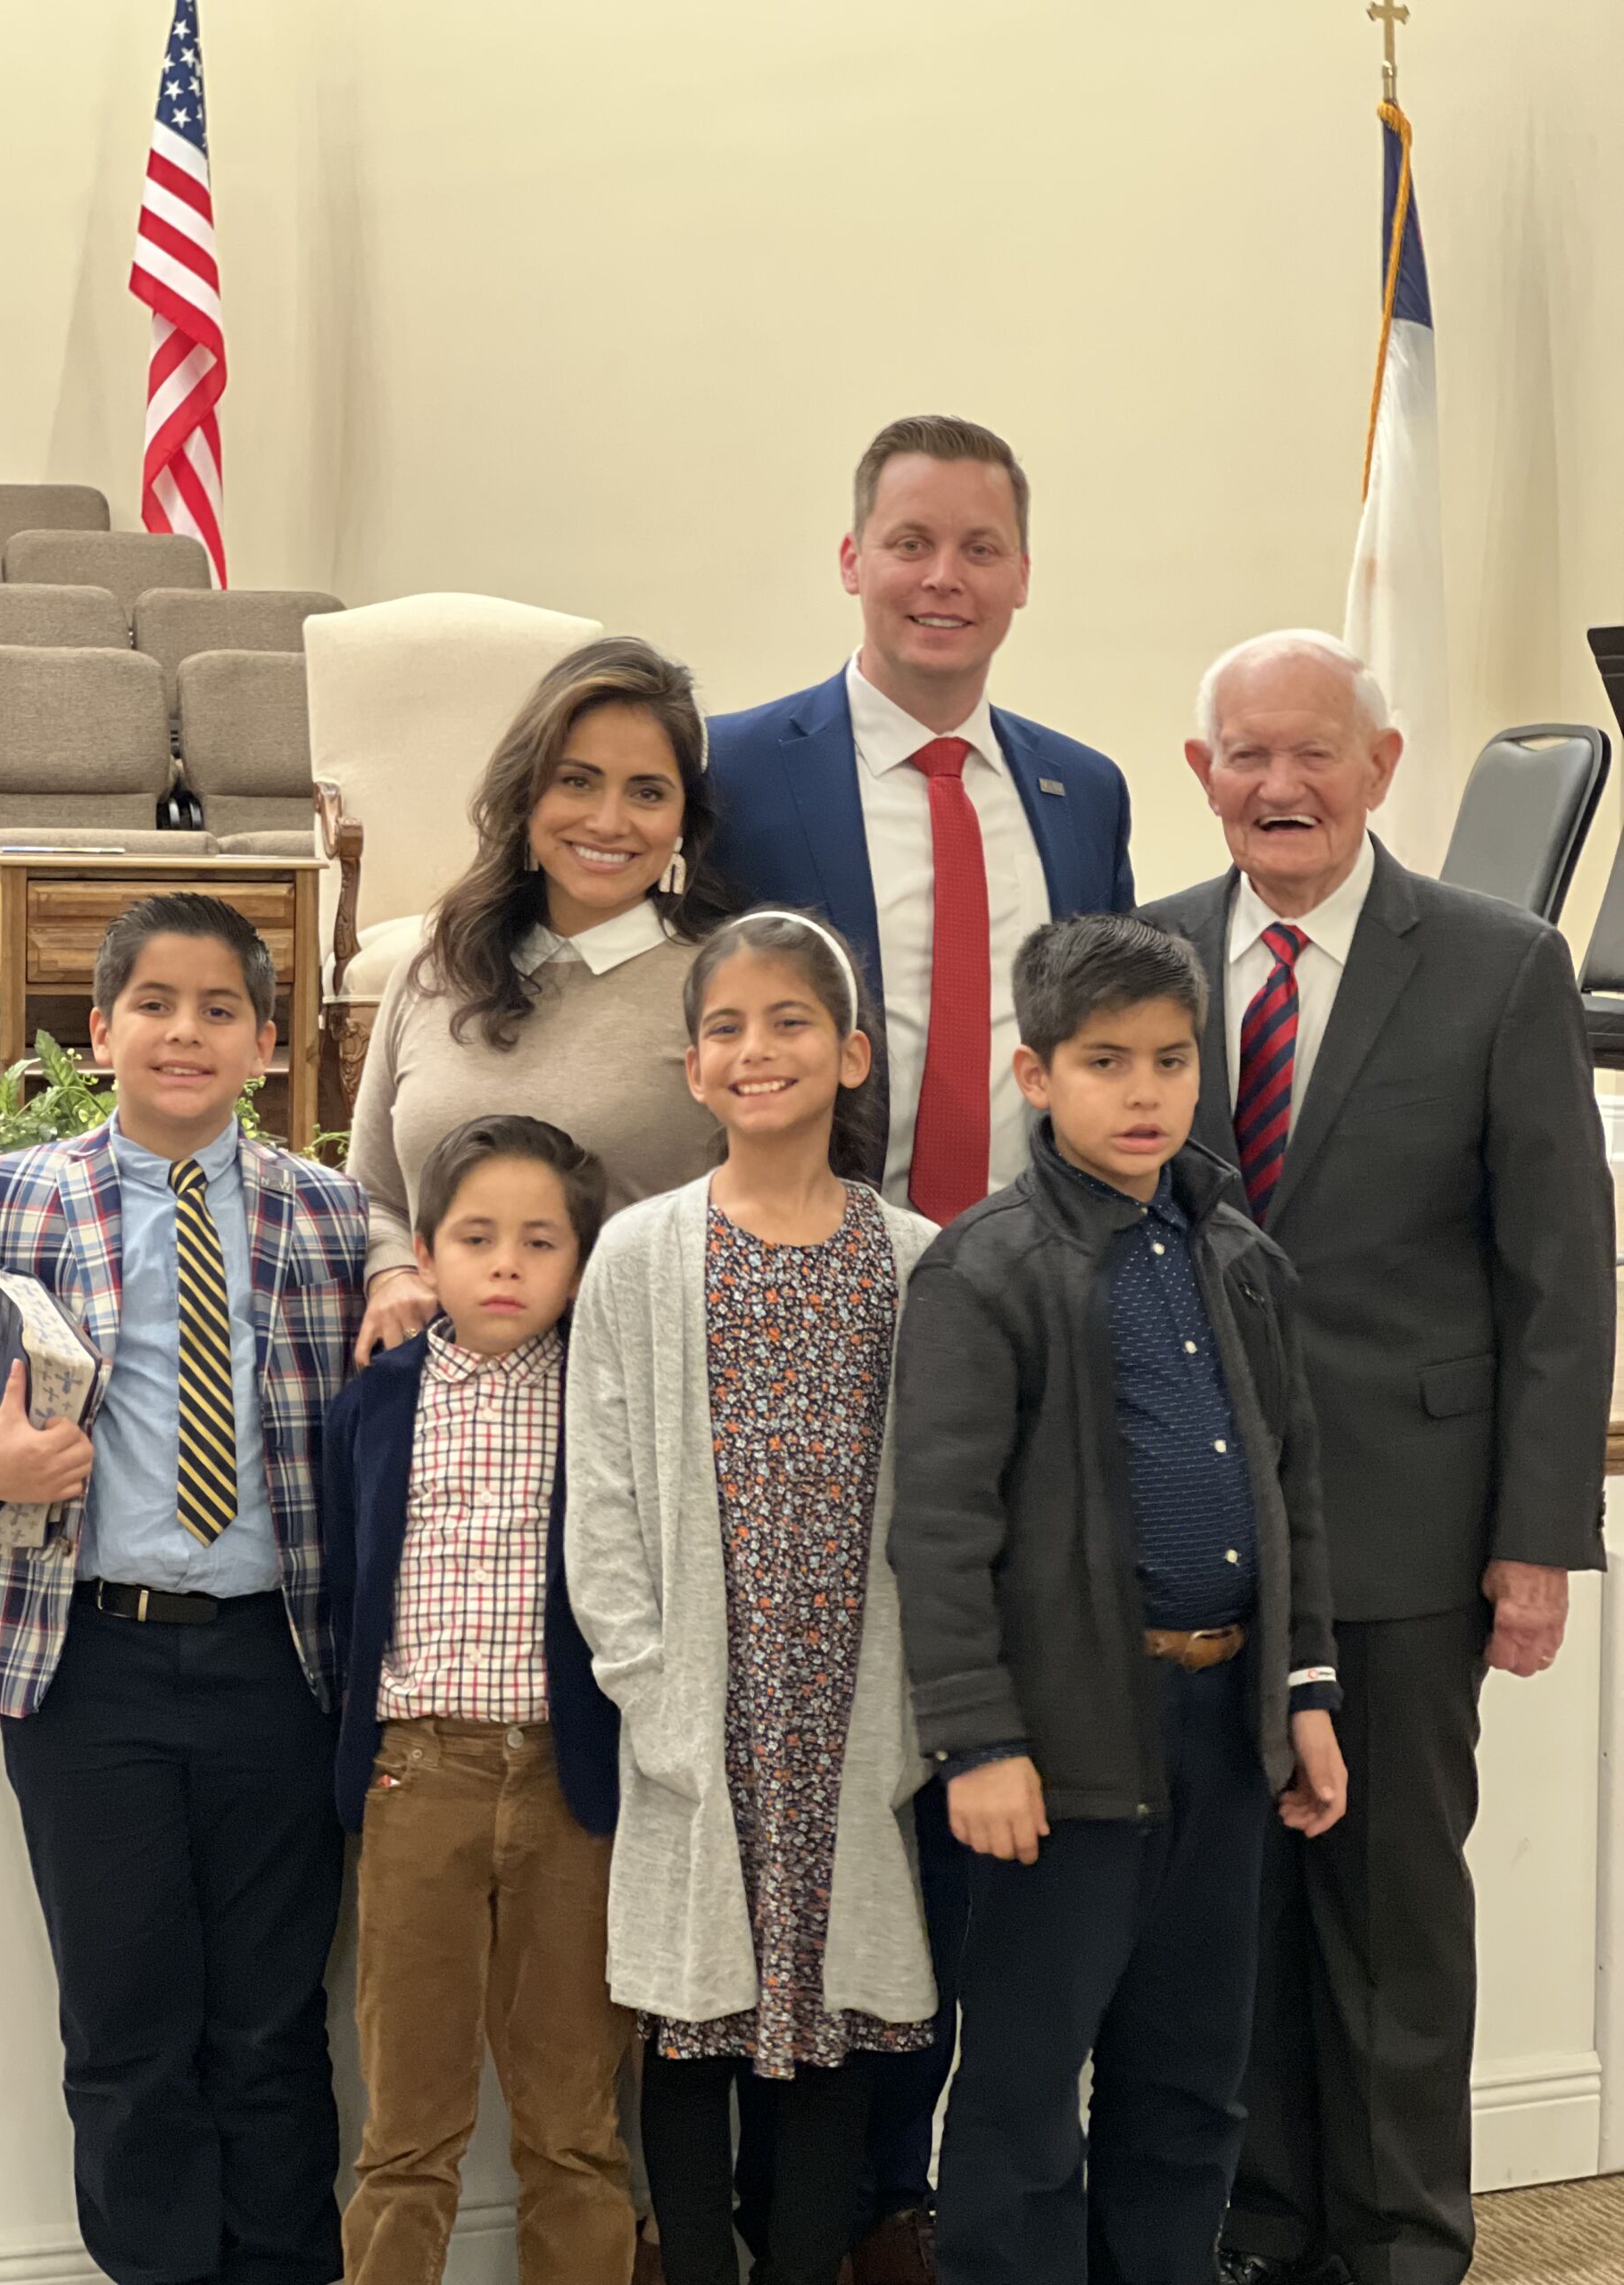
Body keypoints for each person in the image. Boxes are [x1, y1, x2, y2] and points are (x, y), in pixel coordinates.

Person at [707, 414, 1135, 2278]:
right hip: (816, 1311)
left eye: (979, 545)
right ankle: (827, 2181)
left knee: (989, 1726)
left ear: (1023, 574)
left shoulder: (1084, 789)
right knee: (825, 1747)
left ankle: (943, 2179)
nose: (943, 577)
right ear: (851, 559)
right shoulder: (738, 769)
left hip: (1030, 1329)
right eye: (910, 540)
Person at [1143, 630, 1615, 2285]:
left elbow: (1561, 1273)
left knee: (1394, 1912)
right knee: (1242, 1909)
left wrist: (1538, 1536)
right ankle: (1269, 2231)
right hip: (1199, 1529)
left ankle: (1406, 2244)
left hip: (1414, 1525)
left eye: (1315, 753)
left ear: (1381, 767)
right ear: (1202, 774)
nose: (1281, 785)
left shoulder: (1501, 965)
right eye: (1247, 755)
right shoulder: (1139, 958)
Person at [0, 893, 368, 2285]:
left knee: (273, 2027)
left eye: (220, 1008)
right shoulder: (16, 1194)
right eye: (154, 1005)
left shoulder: (330, 1213)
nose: (186, 1032)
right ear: (101, 1031)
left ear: (266, 1044)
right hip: (87, 1671)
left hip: (280, 1668)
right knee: (125, 2029)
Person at [888, 911, 1346, 2285]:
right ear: (1036, 1075)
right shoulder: (985, 1269)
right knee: (1026, 2095)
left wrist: (1304, 1689)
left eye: (1170, 1059)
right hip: (1061, 1745)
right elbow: (940, 1531)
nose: (1144, 1092)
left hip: (1226, 1731)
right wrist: (978, 1741)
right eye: (1105, 1062)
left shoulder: (1238, 1256)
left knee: (1193, 2080)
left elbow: (1291, 1491)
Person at [566, 910, 938, 2285]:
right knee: (689, 2020)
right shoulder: (641, 1254)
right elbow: (601, 1495)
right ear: (692, 1069)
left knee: (831, 2027)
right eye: (725, 1026)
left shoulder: (914, 1258)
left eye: (790, 1021)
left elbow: (948, 1500)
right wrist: (649, 1687)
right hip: (699, 1709)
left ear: (851, 1054)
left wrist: (914, 1716)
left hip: (851, 1707)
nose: (757, 1048)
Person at [324, 1112, 634, 2284]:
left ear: (580, 1262)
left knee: (574, 2124)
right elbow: (347, 1589)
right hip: (418, 1778)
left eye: (540, 1242)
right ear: (425, 1252)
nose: (506, 1265)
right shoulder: (376, 1403)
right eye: (476, 1237)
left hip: (572, 1787)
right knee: (407, 2126)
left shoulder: (606, 1399)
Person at [346, 634, 728, 1371]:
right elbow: (375, 1195)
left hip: (639, 1395)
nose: (609, 821)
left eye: (647, 792)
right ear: (526, 794)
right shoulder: (432, 967)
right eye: (577, 781)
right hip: (440, 1401)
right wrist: (392, 1273)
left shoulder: (719, 989)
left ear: (685, 819)